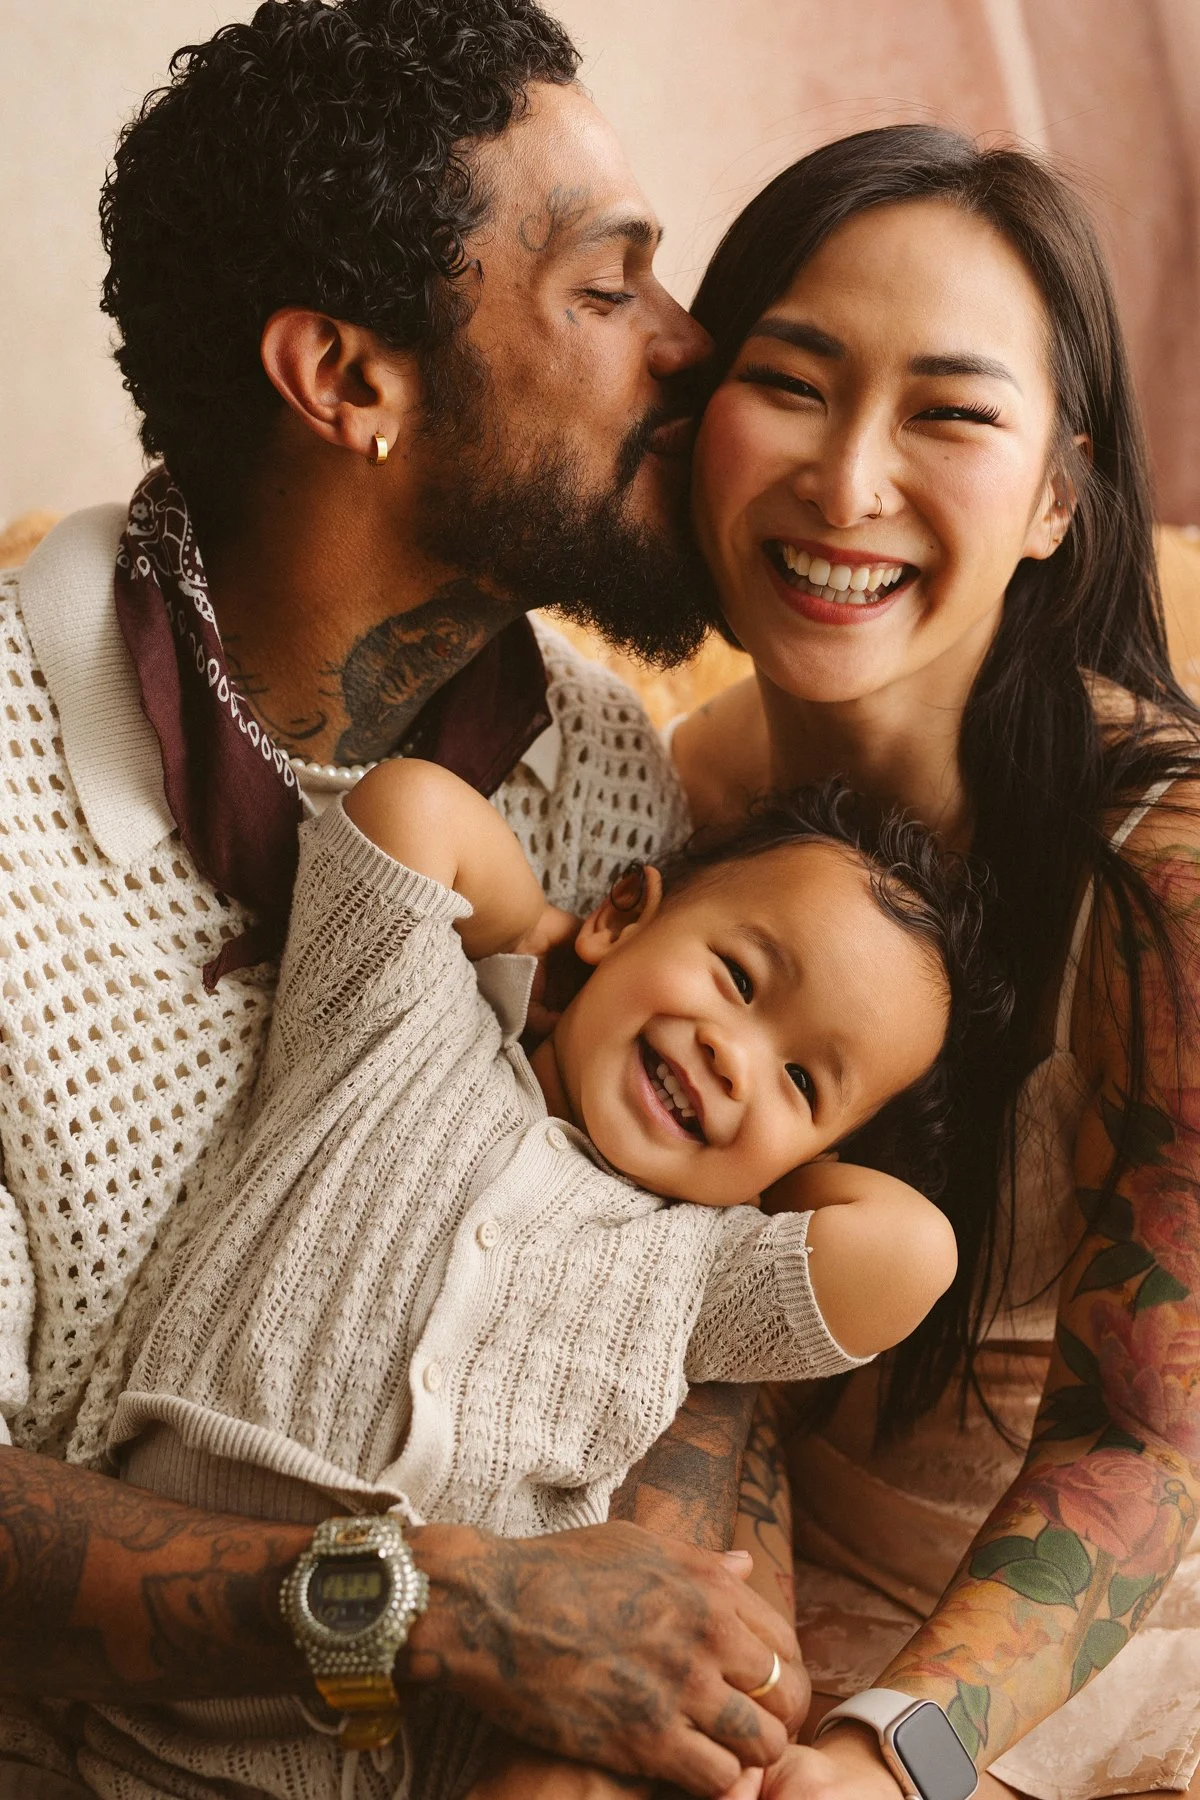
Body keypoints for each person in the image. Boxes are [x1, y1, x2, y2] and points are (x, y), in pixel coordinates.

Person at [0, 2, 808, 1793]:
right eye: (610, 290)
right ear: (348, 382)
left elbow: (682, 1270)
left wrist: (666, 1646)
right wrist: (432, 1604)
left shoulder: (600, 767)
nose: (696, 350)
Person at [76, 759, 990, 1798]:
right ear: (621, 916)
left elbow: (916, 1251)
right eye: (737, 978)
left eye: (802, 1079)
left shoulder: (701, 1269)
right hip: (138, 1695)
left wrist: (760, 1174)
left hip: (445, 1758)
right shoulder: (404, 1027)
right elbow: (410, 806)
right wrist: (533, 928)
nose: (736, 1058)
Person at [662, 125, 1200, 1800]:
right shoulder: (671, 789)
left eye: (951, 413)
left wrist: (895, 1753)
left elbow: (1144, 1436)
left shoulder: (1164, 874)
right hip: (759, 1551)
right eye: (795, 380)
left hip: (1060, 1638)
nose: (847, 483)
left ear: (1058, 495)